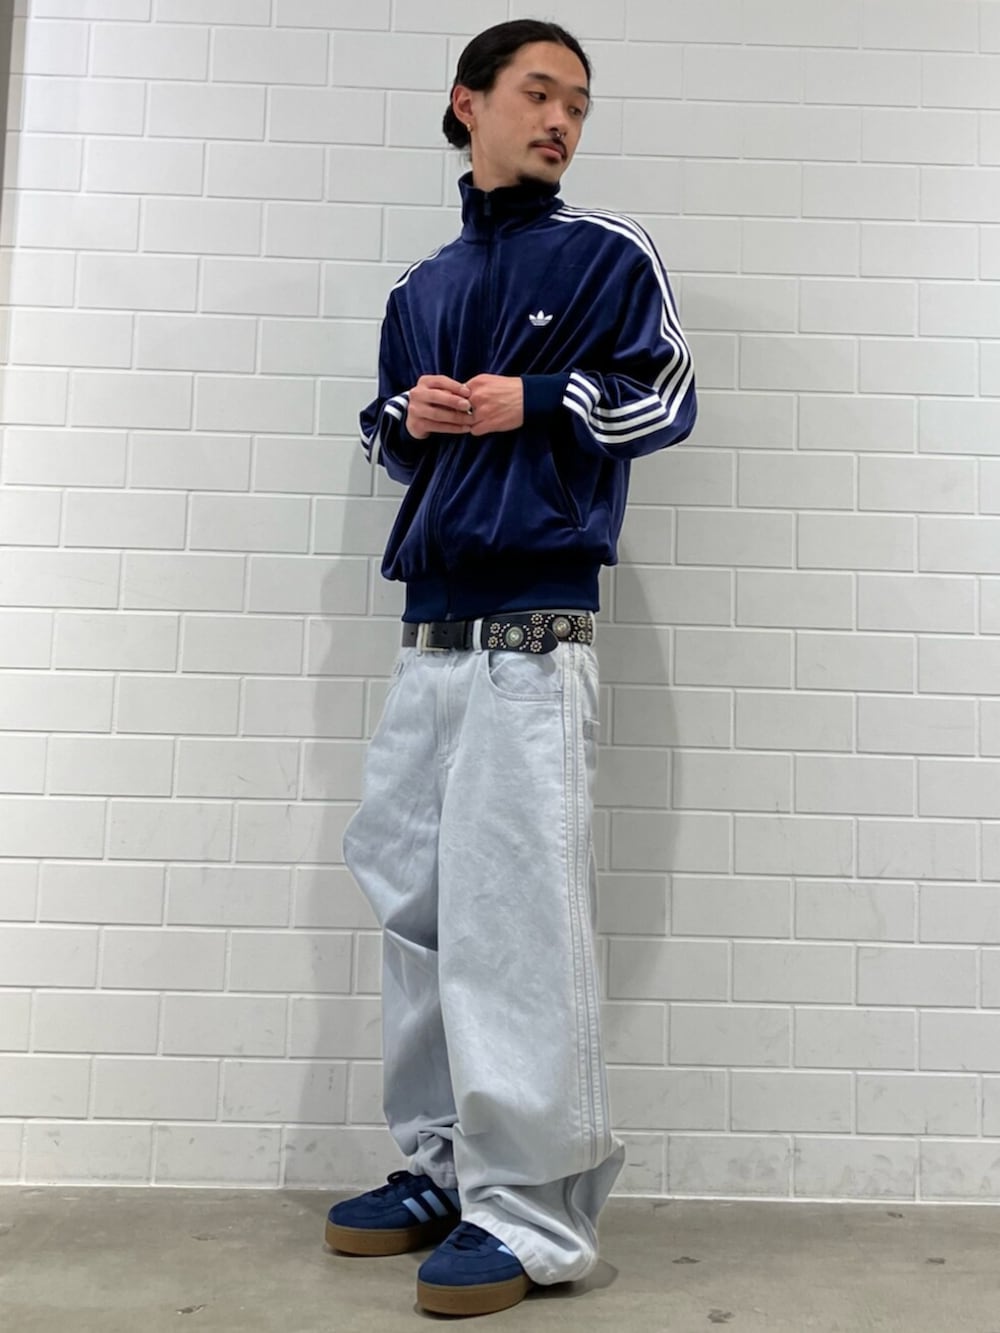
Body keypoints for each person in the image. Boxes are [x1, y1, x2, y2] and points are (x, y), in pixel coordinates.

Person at [325, 19, 696, 1318]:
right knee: (416, 913)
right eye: (539, 94)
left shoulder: (606, 255)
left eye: (578, 104)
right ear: (467, 103)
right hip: (428, 635)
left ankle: (532, 1214)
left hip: (535, 641)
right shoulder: (421, 286)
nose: (561, 121)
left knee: (516, 929)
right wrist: (410, 415)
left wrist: (536, 399)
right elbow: (386, 436)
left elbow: (668, 400)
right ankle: (443, 1169)